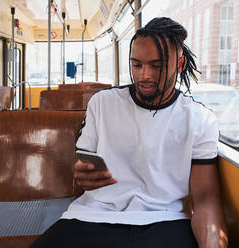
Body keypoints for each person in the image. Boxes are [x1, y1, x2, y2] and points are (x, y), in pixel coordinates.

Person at [30, 17, 228, 248]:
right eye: (137, 65)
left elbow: (206, 199)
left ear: (180, 65)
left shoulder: (199, 119)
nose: (144, 75)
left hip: (165, 220)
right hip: (93, 216)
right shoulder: (102, 104)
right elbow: (83, 164)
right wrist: (81, 173)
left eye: (157, 66)